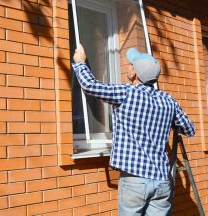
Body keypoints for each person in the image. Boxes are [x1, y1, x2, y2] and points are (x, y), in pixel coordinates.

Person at [72, 44, 195, 216]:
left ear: (135, 74)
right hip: (162, 181)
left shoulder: (127, 93)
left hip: (135, 181)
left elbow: (91, 86)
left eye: (130, 65)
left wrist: (80, 63)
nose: (127, 67)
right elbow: (189, 129)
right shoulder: (169, 100)